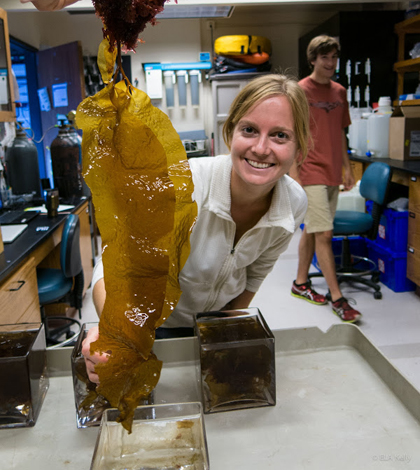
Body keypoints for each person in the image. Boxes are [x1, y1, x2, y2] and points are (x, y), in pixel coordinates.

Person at [82, 73, 311, 383]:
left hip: (212, 322)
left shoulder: (293, 203)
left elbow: (256, 272)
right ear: (230, 132)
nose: (260, 147)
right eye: (249, 130)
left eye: (280, 135)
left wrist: (221, 332)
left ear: (300, 147)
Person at [289, 35, 361, 323]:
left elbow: (340, 133)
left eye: (334, 57)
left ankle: (300, 283)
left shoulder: (339, 92)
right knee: (324, 234)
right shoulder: (299, 91)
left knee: (313, 229)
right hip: (310, 169)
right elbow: (292, 133)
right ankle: (338, 298)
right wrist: (293, 173)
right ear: (313, 59)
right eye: (325, 57)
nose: (331, 63)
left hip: (332, 171)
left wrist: (348, 168)